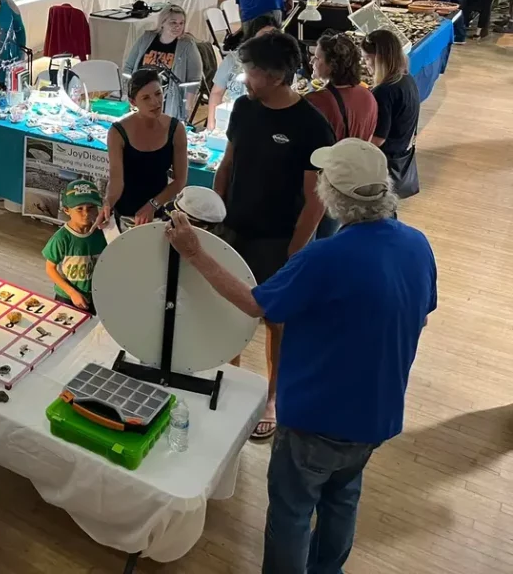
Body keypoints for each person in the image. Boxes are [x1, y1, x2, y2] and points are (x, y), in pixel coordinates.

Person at [165, 137, 435, 574]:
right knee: (343, 500)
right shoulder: (418, 245)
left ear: (332, 195)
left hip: (317, 417)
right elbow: (418, 318)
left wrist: (195, 252)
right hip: (378, 414)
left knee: (292, 512)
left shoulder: (324, 257)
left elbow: (256, 304)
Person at [214, 30, 336, 439]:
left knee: (276, 323)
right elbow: (227, 164)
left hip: (278, 240)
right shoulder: (245, 110)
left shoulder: (311, 126)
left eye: (250, 71)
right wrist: (215, 213)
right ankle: (229, 379)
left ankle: (271, 397)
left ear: (275, 75)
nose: (244, 78)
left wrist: (294, 253)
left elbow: (315, 201)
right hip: (233, 228)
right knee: (230, 310)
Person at [306, 33, 379, 238]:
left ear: (331, 66)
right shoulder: (368, 96)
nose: (312, 60)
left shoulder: (316, 102)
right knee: (330, 236)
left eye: (318, 57)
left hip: (319, 185)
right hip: (348, 183)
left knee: (308, 242)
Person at [99, 67, 188, 228]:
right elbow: (116, 180)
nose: (155, 102)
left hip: (159, 212)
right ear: (133, 102)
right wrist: (108, 203)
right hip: (126, 212)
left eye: (158, 94)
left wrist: (152, 205)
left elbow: (180, 180)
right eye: (146, 98)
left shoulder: (176, 129)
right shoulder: (118, 132)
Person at [362, 29, 421, 200]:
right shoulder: (406, 78)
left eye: (367, 58)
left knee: (378, 207)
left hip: (385, 162)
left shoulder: (384, 91)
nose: (366, 64)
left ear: (379, 58)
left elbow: (379, 138)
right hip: (402, 152)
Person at [123, 5, 203, 121]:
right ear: (162, 23)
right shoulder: (146, 38)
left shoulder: (187, 45)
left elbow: (194, 79)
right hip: (140, 97)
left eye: (181, 23)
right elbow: (129, 67)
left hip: (169, 101)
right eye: (173, 23)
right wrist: (128, 94)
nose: (178, 27)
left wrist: (188, 106)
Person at [43, 179, 109, 313]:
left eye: (91, 208)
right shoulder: (61, 238)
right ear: (66, 210)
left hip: (96, 295)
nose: (86, 213)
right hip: (67, 296)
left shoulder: (103, 233)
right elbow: (50, 268)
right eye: (79, 208)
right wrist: (72, 292)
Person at [207, 14, 280, 131]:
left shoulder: (280, 67)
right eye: (263, 36)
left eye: (273, 36)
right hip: (228, 122)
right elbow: (216, 93)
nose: (267, 41)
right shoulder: (233, 60)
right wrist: (211, 127)